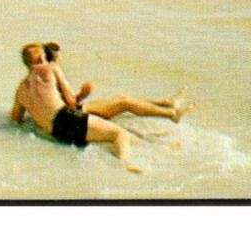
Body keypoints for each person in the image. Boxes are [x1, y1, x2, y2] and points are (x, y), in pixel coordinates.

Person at [10, 42, 192, 173]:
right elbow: (72, 102)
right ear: (42, 57)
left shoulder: (20, 90)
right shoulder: (51, 68)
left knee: (114, 129)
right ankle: (124, 164)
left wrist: (39, 114)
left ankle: (162, 148)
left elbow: (16, 119)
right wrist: (84, 93)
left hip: (56, 131)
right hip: (68, 116)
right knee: (120, 134)